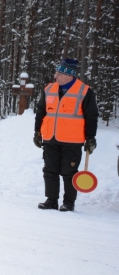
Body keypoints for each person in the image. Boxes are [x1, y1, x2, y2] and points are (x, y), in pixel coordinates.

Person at [34, 58, 98, 212]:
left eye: (59, 73)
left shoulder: (84, 91)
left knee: (69, 173)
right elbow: (41, 111)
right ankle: (51, 200)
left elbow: (92, 116)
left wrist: (90, 138)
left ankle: (68, 203)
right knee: (50, 170)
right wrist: (37, 132)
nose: (56, 76)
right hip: (50, 137)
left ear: (69, 75)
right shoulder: (49, 89)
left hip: (72, 140)